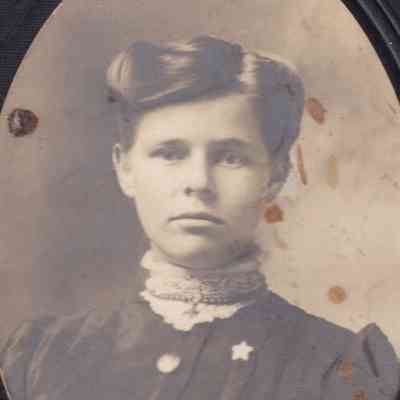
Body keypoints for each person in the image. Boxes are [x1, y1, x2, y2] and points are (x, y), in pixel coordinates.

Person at [1, 35, 399, 400]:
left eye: (231, 157)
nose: (198, 182)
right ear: (125, 168)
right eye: (170, 153)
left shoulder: (337, 367)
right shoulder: (46, 358)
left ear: (275, 175)